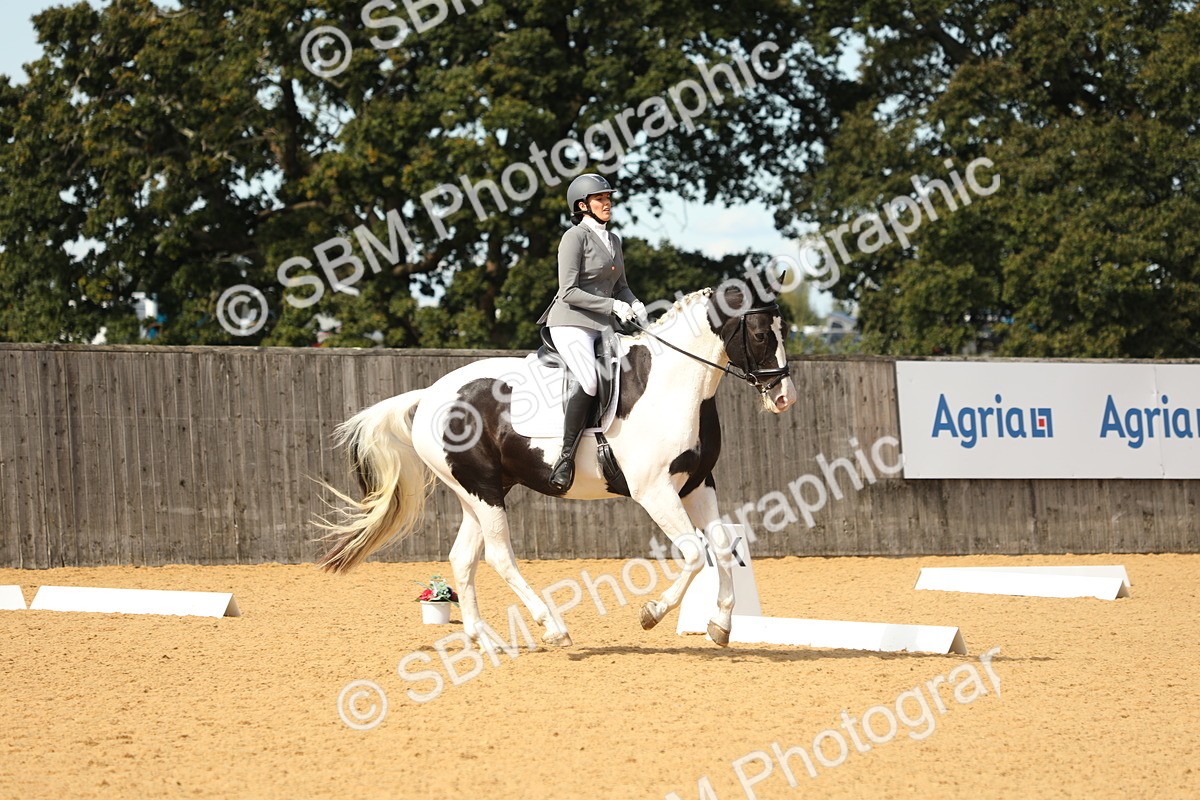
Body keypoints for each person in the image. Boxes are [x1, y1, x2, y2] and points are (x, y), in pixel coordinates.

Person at [536, 173, 646, 491]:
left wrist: (635, 304)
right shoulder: (574, 238)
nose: (607, 202)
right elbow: (568, 291)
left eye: (608, 198)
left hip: (603, 327)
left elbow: (621, 286)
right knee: (589, 379)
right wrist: (612, 306)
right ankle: (566, 458)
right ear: (583, 206)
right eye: (600, 199)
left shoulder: (614, 241)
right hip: (571, 322)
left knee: (634, 374)